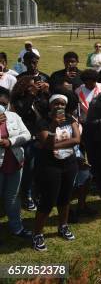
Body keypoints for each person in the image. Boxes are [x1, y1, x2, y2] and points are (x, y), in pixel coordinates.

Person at [32, 94, 80, 251]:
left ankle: (63, 226)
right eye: (56, 104)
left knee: (65, 197)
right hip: (50, 166)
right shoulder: (43, 122)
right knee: (48, 200)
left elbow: (77, 140)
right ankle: (37, 234)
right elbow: (47, 144)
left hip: (69, 163)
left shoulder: (70, 119)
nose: (59, 106)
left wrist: (53, 145)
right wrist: (53, 127)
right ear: (50, 105)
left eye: (62, 104)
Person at [10, 76, 50, 212]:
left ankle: (37, 193)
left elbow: (48, 110)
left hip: (42, 136)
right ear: (26, 87)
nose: (36, 87)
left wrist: (46, 93)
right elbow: (23, 112)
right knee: (30, 168)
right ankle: (26, 196)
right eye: (33, 86)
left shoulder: (39, 98)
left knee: (41, 168)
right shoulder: (18, 100)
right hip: (28, 137)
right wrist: (31, 96)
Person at [0, 87, 33, 241]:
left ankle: (17, 227)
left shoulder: (13, 116)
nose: (1, 106)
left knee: (13, 197)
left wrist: (10, 141)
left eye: (3, 103)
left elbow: (27, 134)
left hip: (14, 163)